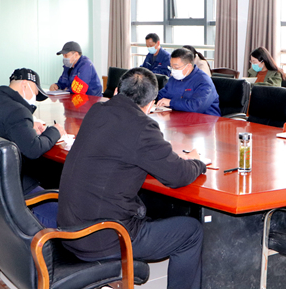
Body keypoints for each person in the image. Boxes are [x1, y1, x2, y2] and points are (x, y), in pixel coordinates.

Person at [57, 67, 206, 289]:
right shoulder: (142, 126)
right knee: (191, 231)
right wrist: (197, 162)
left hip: (69, 228)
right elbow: (178, 176)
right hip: (103, 236)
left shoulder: (97, 110)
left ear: (117, 91)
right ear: (151, 104)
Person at [0, 68, 65, 227]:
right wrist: (55, 131)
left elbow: (3, 127)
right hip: (10, 189)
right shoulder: (18, 110)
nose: (34, 99)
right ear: (25, 85)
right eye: (35, 92)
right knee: (66, 216)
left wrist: (28, 128)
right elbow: (33, 149)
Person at [157, 48, 220, 116]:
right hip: (179, 117)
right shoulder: (174, 79)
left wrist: (171, 103)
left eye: (176, 67)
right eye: (171, 67)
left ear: (189, 66)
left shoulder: (203, 81)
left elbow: (196, 107)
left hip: (206, 119)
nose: (173, 71)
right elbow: (162, 95)